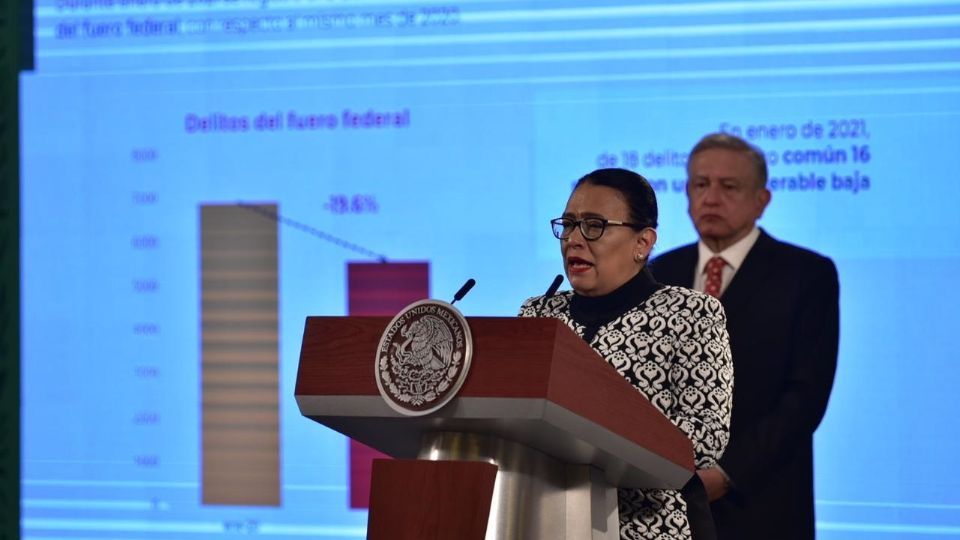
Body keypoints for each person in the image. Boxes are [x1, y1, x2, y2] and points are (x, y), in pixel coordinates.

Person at [519, 168, 734, 540]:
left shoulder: (690, 313)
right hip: (545, 520)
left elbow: (707, 434)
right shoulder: (538, 315)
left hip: (651, 527)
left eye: (594, 226)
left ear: (643, 242)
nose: (574, 240)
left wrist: (597, 437)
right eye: (568, 225)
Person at [649, 133, 839, 540]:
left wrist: (725, 472)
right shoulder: (657, 273)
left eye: (728, 186)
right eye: (700, 184)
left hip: (761, 504)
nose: (711, 198)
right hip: (662, 508)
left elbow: (803, 400)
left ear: (762, 200)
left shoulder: (806, 275)